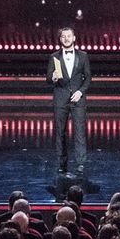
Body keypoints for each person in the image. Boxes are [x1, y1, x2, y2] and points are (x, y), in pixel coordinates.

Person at [49, 26, 92, 180]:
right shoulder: (54, 56)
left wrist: (80, 92)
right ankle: (62, 163)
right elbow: (48, 79)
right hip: (60, 99)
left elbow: (88, 78)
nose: (66, 39)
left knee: (80, 132)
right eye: (63, 36)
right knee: (60, 133)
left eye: (69, 36)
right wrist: (53, 77)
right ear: (60, 39)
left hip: (78, 99)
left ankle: (80, 163)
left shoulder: (83, 56)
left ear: (74, 38)